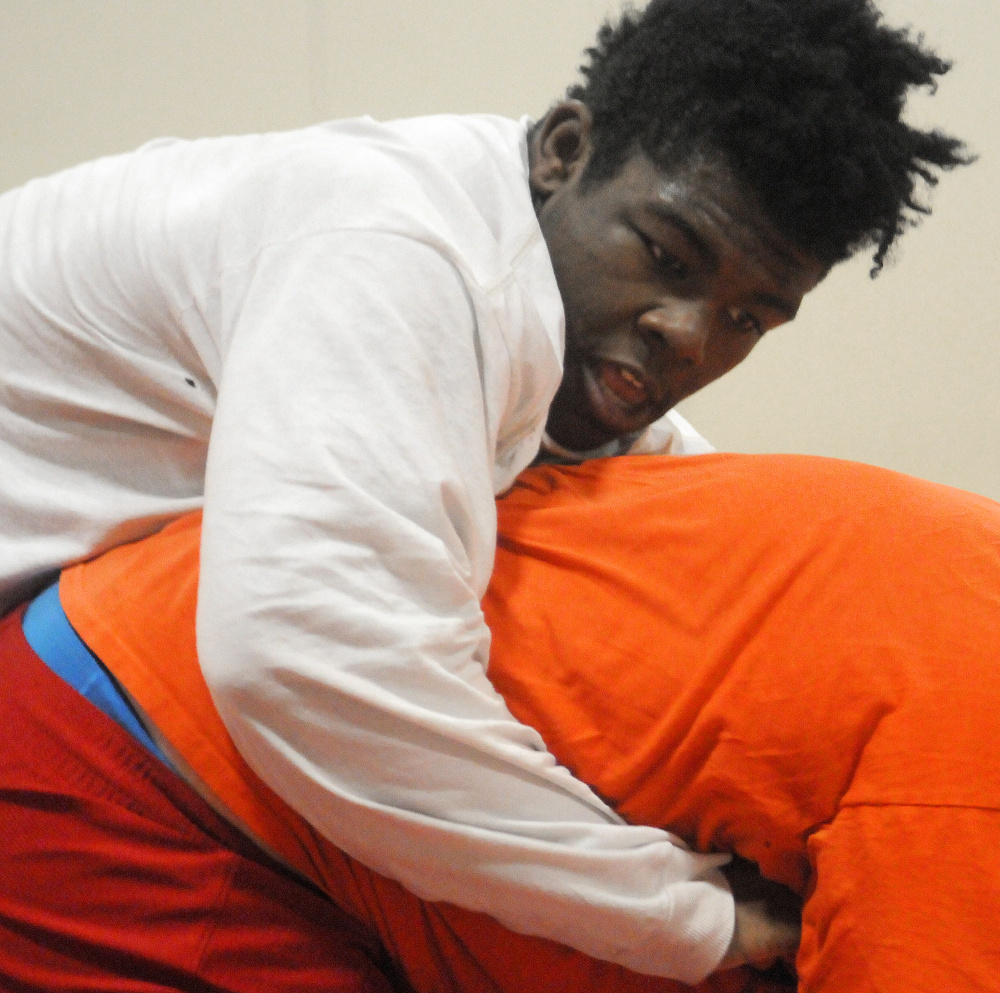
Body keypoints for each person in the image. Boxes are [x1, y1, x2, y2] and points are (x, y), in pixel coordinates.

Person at [0, 0, 968, 981]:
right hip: (78, 747)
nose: (688, 333)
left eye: (748, 319)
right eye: (669, 258)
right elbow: (299, 657)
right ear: (562, 148)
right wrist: (691, 920)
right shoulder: (391, 249)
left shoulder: (558, 334)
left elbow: (729, 545)